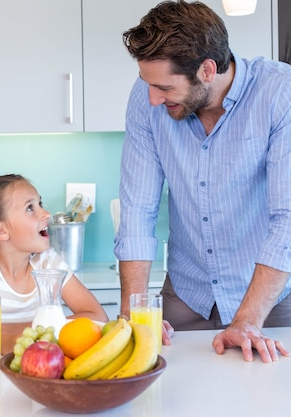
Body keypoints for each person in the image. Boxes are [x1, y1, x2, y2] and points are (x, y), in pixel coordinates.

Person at [116, 0, 291, 362]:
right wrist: (133, 306)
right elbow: (137, 210)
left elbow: (287, 220)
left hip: (269, 299)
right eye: (147, 83)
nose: (152, 97)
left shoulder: (279, 94)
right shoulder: (148, 99)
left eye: (164, 86)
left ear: (207, 70)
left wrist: (247, 320)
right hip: (186, 293)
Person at [0, 174, 108, 354]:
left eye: (40, 204)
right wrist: (7, 342)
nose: (46, 214)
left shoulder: (49, 262)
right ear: (0, 230)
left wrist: (26, 330)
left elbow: (98, 317)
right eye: (30, 208)